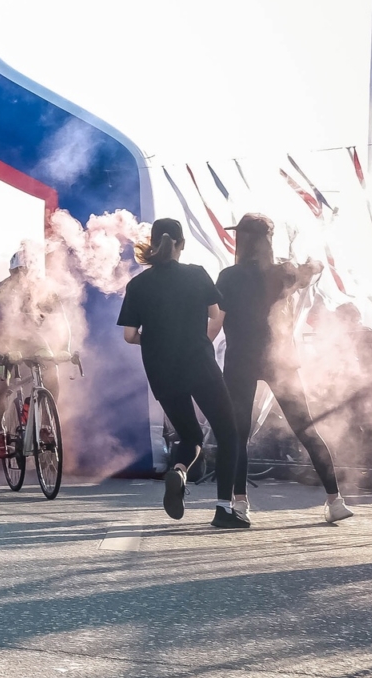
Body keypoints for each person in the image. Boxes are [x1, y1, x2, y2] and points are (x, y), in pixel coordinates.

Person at [216, 213, 350, 524]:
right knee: (306, 429)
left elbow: (217, 318)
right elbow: (312, 269)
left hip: (240, 358)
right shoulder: (283, 273)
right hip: (280, 359)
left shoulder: (229, 276)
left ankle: (240, 504)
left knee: (238, 435)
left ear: (242, 239)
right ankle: (335, 499)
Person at [116, 218, 244, 528]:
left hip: (161, 370)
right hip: (199, 363)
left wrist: (157, 337)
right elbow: (217, 313)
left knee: (189, 435)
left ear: (153, 242)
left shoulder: (138, 284)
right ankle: (224, 509)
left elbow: (130, 336)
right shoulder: (196, 274)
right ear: (181, 244)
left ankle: (179, 470)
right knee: (228, 432)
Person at [0, 249, 75, 461]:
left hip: (31, 339)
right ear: (11, 271)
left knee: (52, 372)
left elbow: (62, 324)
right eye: (19, 272)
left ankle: (43, 424)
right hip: (0, 341)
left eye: (29, 272)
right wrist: (5, 349)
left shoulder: (46, 292)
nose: (24, 277)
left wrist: (64, 349)